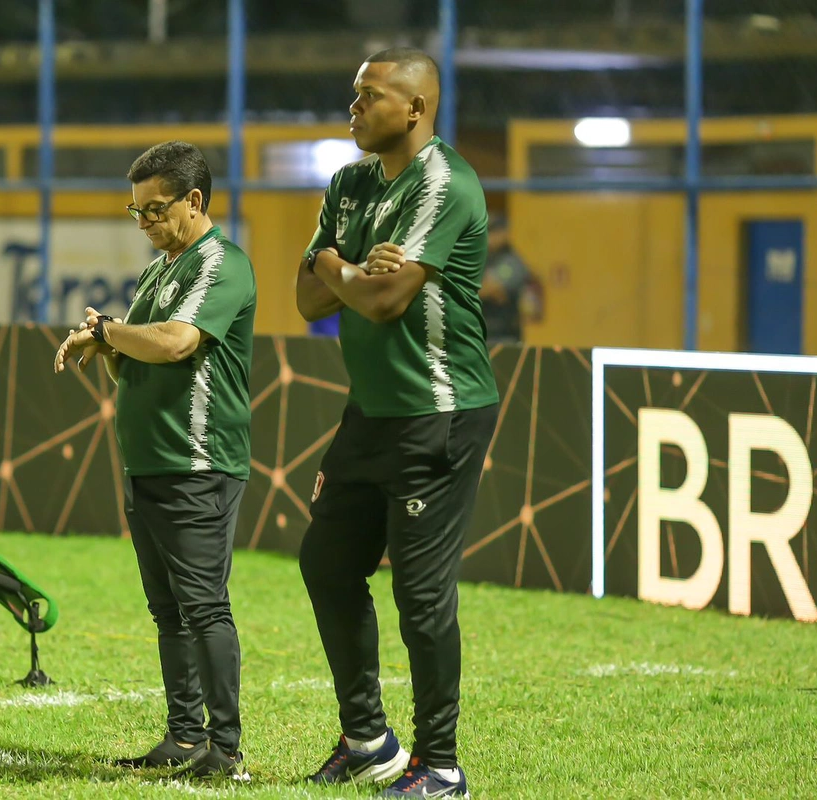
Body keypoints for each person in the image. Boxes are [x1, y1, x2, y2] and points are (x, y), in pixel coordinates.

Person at [294, 47, 501, 799]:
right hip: (373, 412)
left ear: (414, 108)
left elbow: (385, 303)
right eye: (354, 95)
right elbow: (309, 298)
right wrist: (341, 266)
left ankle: (440, 766)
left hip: (440, 414)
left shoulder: (446, 182)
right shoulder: (350, 183)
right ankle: (367, 739)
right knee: (326, 562)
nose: (353, 107)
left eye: (369, 96)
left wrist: (334, 267)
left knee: (421, 595)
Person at [53, 141, 257, 780]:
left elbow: (174, 344)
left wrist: (110, 331)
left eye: (154, 210)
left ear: (194, 201)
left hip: (197, 464)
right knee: (169, 611)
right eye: (135, 211)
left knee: (204, 607)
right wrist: (106, 341)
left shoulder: (220, 263)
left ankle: (224, 750)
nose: (143, 223)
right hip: (148, 464)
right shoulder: (160, 269)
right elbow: (132, 362)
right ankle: (185, 736)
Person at [478, 215, 533, 344]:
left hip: (505, 335)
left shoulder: (511, 262)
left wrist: (475, 288)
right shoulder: (484, 259)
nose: (491, 237)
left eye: (495, 232)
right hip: (481, 332)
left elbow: (489, 289)